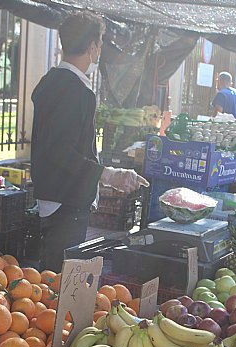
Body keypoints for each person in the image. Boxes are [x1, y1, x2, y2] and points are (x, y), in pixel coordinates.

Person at [30, 12, 148, 273]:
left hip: (51, 194)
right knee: (60, 278)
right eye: (101, 43)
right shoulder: (76, 90)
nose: (101, 50)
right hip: (66, 199)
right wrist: (108, 174)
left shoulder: (50, 82)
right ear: (93, 47)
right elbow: (61, 150)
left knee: (51, 273)